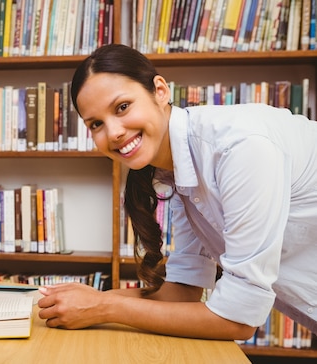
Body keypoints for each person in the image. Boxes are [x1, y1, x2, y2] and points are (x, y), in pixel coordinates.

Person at [37, 43, 317, 340]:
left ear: (160, 91)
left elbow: (239, 320)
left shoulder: (239, 148)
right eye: (96, 124)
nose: (114, 132)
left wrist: (103, 306)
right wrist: (85, 300)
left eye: (122, 107)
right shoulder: (178, 171)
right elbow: (181, 292)